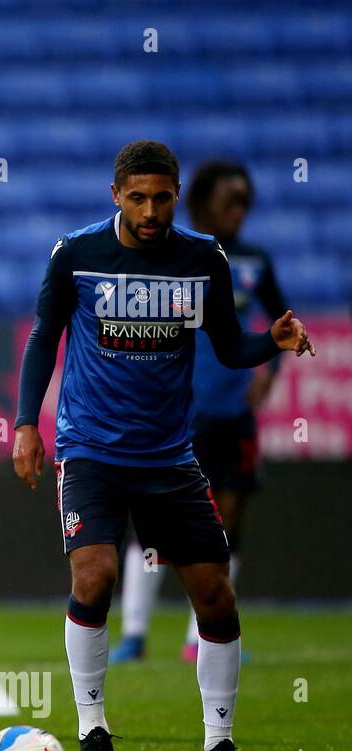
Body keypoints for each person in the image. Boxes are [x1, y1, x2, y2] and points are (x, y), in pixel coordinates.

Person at [12, 140, 314, 751]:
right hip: (89, 447)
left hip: (169, 457)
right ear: (116, 195)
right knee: (93, 577)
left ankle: (219, 746)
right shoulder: (78, 254)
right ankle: (93, 735)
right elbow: (44, 337)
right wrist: (24, 425)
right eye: (138, 198)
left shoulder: (203, 260)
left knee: (216, 595)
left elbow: (230, 348)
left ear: (177, 196)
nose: (151, 211)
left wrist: (273, 341)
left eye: (162, 198)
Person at [112, 159, 288, 665]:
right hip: (175, 416)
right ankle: (136, 632)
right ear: (202, 203)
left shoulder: (253, 261)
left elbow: (281, 319)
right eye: (230, 201)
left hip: (233, 415)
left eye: (244, 203)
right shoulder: (176, 256)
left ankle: (199, 637)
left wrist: (269, 374)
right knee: (151, 526)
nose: (239, 212)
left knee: (226, 521)